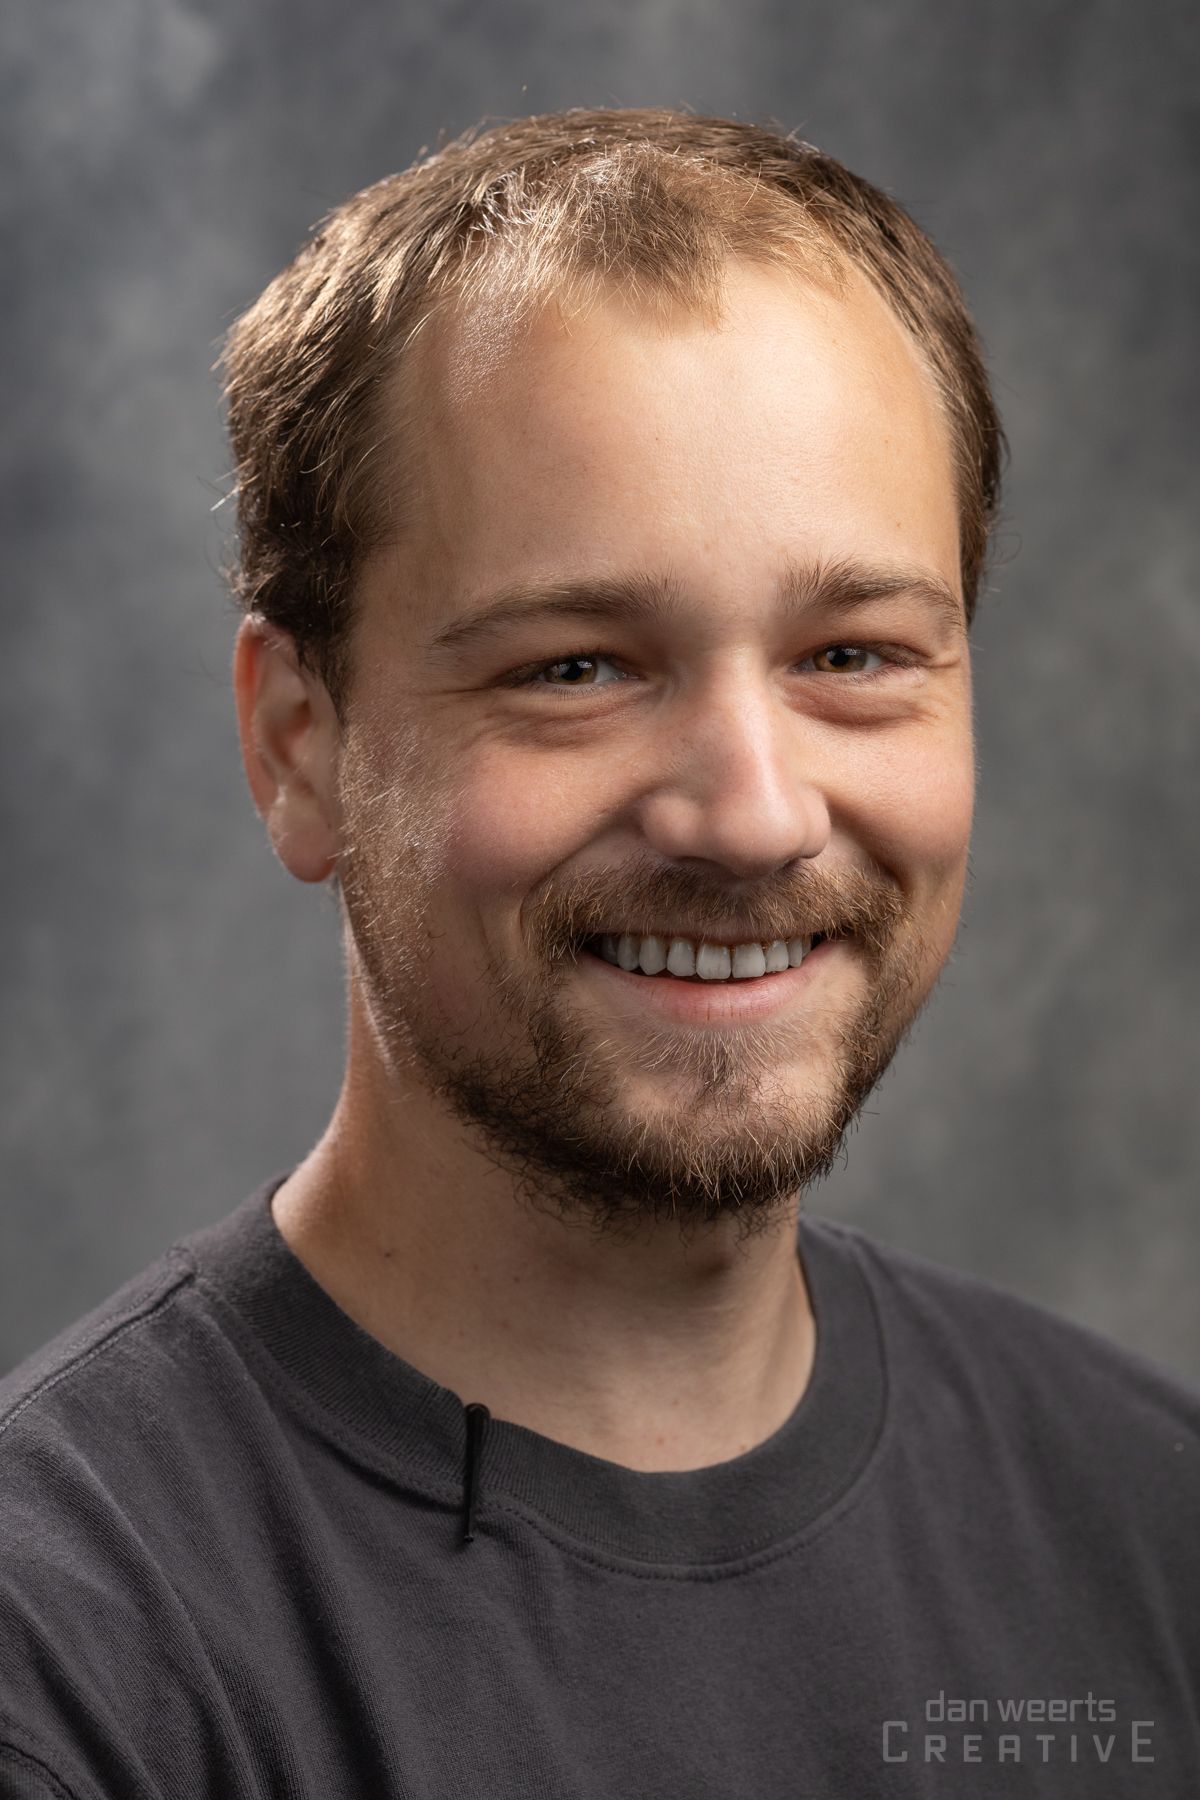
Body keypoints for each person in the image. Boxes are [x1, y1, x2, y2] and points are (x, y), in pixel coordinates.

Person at [1, 107, 1196, 1799]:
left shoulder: (1152, 1521)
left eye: (854, 653)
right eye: (577, 668)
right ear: (299, 744)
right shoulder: (69, 1667)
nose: (756, 815)